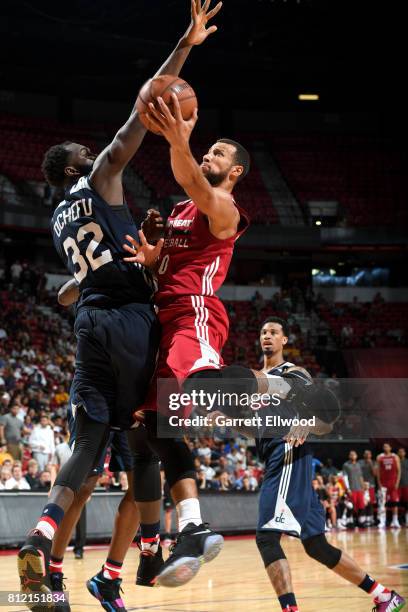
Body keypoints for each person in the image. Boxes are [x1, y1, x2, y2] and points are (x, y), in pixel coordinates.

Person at [17, 0, 222, 605]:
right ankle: (160, 549)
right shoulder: (102, 174)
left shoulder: (59, 216)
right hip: (130, 321)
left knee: (87, 446)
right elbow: (146, 102)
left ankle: (44, 547)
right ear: (82, 164)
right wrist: (185, 45)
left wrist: (101, 275)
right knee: (151, 434)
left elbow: (76, 281)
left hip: (89, 323)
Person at [122, 98, 251, 585]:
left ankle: (273, 386)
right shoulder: (178, 211)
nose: (208, 156)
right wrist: (152, 256)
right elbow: (163, 267)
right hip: (161, 315)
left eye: (218, 153)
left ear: (234, 171)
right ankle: (194, 526)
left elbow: (192, 180)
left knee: (198, 381)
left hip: (194, 312)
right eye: (208, 150)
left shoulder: (223, 207)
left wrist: (180, 134)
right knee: (158, 428)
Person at [252, 317, 405, 612]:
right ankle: (384, 596)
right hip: (275, 456)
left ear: (285, 340)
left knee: (267, 538)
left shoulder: (294, 374)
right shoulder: (259, 382)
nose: (267, 336)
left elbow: (325, 418)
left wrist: (307, 424)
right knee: (316, 546)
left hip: (287, 455)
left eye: (274, 332)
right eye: (263, 332)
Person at [377, 442, 401, 529]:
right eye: (384, 446)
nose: (385, 448)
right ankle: (382, 521)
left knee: (395, 502)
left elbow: (399, 471)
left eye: (387, 446)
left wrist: (397, 482)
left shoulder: (395, 457)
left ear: (390, 448)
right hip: (383, 483)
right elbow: (378, 472)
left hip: (393, 482)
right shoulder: (380, 457)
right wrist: (379, 483)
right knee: (382, 503)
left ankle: (395, 520)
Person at [342, 450, 366, 527]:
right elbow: (345, 477)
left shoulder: (358, 465)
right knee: (351, 506)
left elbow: (361, 477)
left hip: (359, 489)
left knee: (361, 506)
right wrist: (348, 489)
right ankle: (349, 522)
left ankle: (360, 521)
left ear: (356, 456)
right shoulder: (346, 465)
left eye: (354, 455)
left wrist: (363, 487)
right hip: (351, 489)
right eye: (351, 455)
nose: (353, 456)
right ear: (349, 456)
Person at [398, 447, 408, 526]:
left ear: (404, 453)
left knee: (407, 503)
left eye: (402, 452)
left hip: (406, 485)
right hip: (397, 486)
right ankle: (399, 520)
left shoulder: (407, 461)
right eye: (399, 452)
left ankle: (406, 519)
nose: (401, 453)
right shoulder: (396, 461)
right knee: (398, 504)